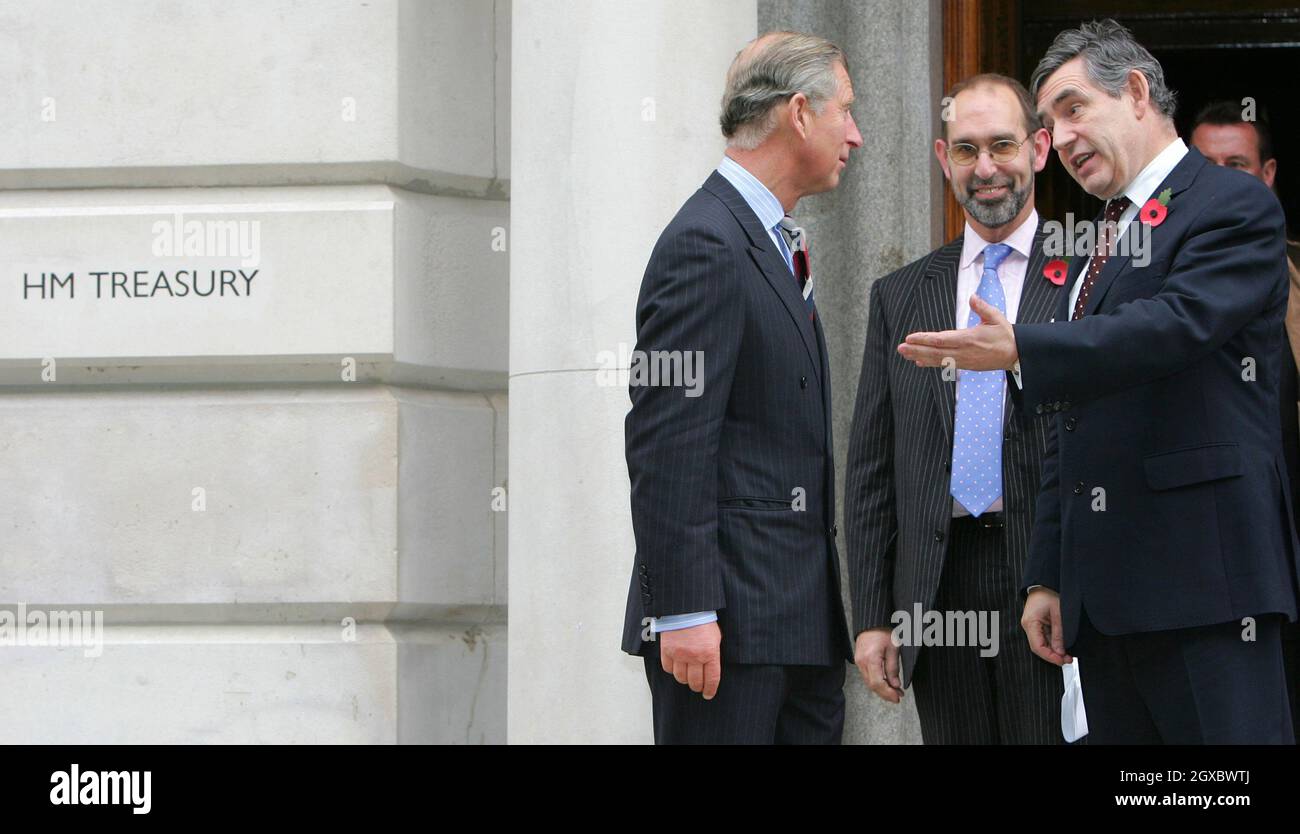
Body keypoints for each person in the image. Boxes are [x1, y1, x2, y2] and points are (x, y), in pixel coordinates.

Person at [898, 19, 1299, 743]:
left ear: (1138, 91)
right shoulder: (1099, 244)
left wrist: (1022, 345)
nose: (1065, 137)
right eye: (1051, 121)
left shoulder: (1231, 205)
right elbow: (1068, 421)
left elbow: (1172, 328)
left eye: (1075, 108)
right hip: (1107, 609)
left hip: (1208, 595)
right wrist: (1049, 573)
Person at [620, 31, 862, 744]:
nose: (856, 133)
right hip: (726, 635)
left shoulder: (767, 238)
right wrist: (687, 610)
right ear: (799, 113)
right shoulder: (707, 243)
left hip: (797, 630)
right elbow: (667, 442)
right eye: (844, 110)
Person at [844, 73, 1066, 743]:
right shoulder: (900, 295)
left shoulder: (1090, 276)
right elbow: (871, 469)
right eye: (966, 150)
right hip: (936, 587)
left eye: (1003, 145)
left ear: (1040, 149)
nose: (987, 167)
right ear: (944, 160)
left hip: (1049, 579)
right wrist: (873, 615)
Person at [1191, 100, 1300, 741]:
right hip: (1222, 564)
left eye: (1237, 164)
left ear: (1269, 176)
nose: (1225, 181)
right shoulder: (1145, 274)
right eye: (1208, 168)